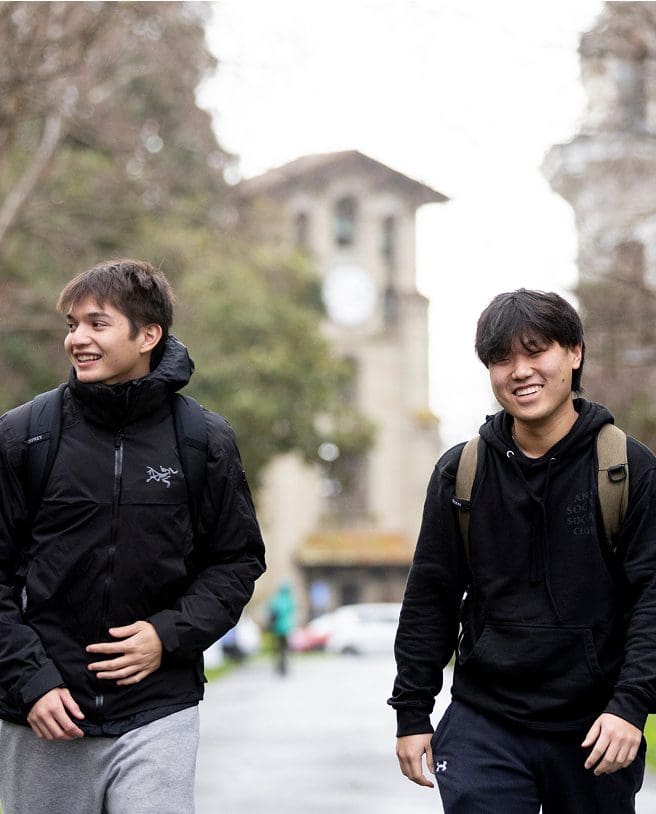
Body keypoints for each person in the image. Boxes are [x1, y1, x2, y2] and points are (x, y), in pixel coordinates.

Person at [0, 259, 266, 814]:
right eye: (72, 324)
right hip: (44, 711)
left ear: (148, 335)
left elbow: (236, 561)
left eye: (97, 324)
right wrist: (30, 680)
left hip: (158, 709)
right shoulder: (25, 435)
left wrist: (166, 634)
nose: (77, 339)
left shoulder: (203, 439)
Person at [388, 289, 656, 813]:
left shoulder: (628, 469)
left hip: (594, 728)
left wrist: (631, 707)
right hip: (485, 721)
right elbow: (431, 596)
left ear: (574, 353)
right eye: (502, 358)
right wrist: (412, 712)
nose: (520, 371)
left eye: (536, 351)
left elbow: (652, 596)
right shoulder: (460, 472)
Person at [267, 581, 296, 675]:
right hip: (286, 629)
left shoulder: (275, 600)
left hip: (276, 628)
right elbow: (291, 614)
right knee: (284, 648)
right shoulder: (289, 600)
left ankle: (278, 666)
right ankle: (283, 666)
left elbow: (270, 612)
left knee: (277, 649)